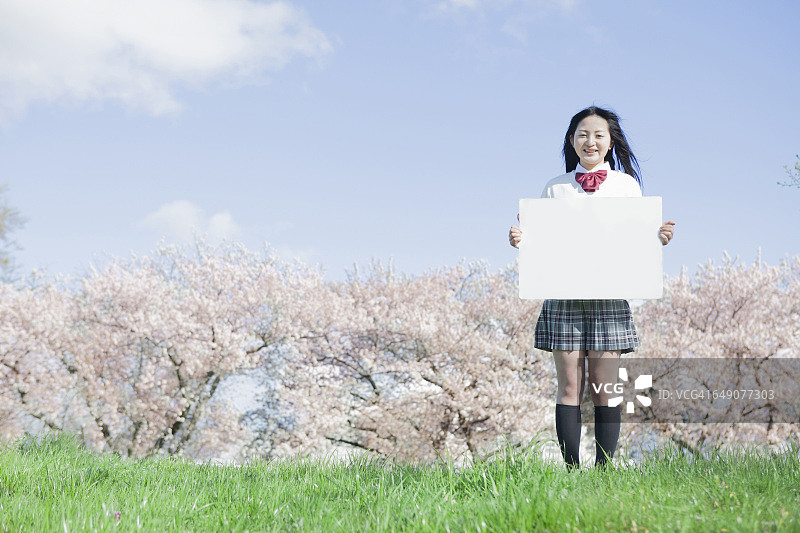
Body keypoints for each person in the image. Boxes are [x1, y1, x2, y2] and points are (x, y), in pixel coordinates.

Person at [508, 106, 675, 470]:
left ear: (610, 141)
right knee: (569, 387)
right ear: (572, 140)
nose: (591, 141)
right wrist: (521, 238)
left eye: (599, 135)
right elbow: (539, 239)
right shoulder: (554, 187)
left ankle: (603, 471)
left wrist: (657, 239)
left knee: (604, 390)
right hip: (564, 295)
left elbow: (637, 240)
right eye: (583, 134)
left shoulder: (627, 187)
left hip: (609, 296)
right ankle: (571, 469)